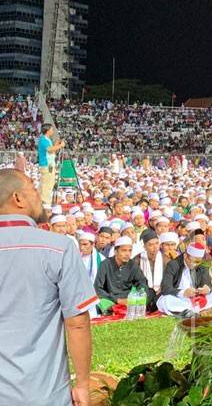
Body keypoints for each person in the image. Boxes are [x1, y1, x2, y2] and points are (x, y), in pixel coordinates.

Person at [0, 169, 96, 406]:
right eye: (33, 188)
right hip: (43, 392)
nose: (40, 194)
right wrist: (82, 383)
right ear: (18, 198)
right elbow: (77, 322)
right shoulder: (58, 247)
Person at [157, 243, 212, 318]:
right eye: (192, 261)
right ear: (185, 256)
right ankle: (197, 312)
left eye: (198, 262)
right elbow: (165, 288)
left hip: (196, 300)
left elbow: (207, 284)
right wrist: (183, 293)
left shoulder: (201, 266)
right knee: (166, 300)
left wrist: (206, 289)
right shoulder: (173, 265)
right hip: (178, 298)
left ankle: (193, 312)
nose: (195, 264)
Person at [94, 236, 154, 313]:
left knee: (150, 292)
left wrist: (136, 297)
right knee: (99, 301)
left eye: (129, 251)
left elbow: (142, 282)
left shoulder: (132, 264)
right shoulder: (105, 264)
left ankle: (124, 309)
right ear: (115, 251)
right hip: (111, 298)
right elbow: (98, 288)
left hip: (129, 298)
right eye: (124, 250)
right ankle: (117, 309)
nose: (127, 254)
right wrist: (117, 300)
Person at [37, 123, 65, 212]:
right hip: (47, 165)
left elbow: (51, 150)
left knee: (45, 184)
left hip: (48, 164)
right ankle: (45, 203)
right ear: (48, 130)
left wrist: (56, 144)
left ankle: (42, 202)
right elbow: (49, 149)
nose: (53, 131)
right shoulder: (44, 139)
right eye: (52, 129)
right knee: (47, 185)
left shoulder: (46, 139)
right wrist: (60, 146)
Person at [134, 229, 165, 301]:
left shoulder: (166, 259)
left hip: (162, 293)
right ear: (144, 246)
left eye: (157, 243)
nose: (155, 247)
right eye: (151, 244)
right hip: (143, 293)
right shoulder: (137, 260)